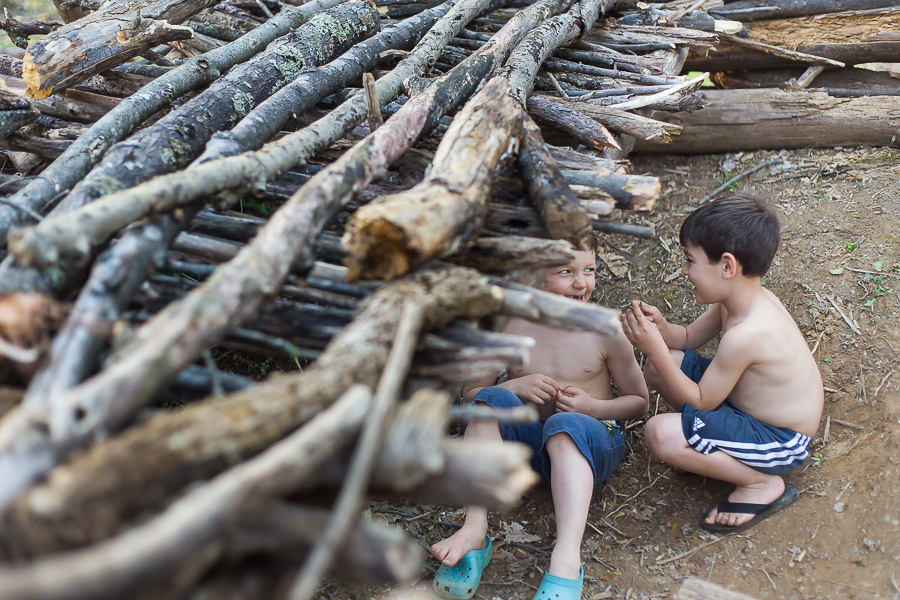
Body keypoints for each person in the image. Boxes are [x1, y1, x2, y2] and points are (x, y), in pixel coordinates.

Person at [430, 236, 649, 600]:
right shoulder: (509, 324)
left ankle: (566, 559)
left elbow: (639, 402)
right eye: (566, 272)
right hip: (530, 446)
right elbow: (471, 396)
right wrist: (515, 385)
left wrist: (593, 408)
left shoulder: (604, 329)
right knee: (489, 400)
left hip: (591, 441)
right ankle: (474, 530)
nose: (582, 283)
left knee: (565, 427)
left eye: (590, 270)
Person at [621, 194, 823, 534]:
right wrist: (662, 330)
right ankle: (706, 452)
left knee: (659, 434)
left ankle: (760, 484)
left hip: (779, 439)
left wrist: (652, 347)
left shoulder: (749, 334)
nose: (684, 271)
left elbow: (701, 401)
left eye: (690, 261)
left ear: (727, 266)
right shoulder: (735, 300)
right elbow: (685, 338)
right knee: (661, 365)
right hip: (743, 408)